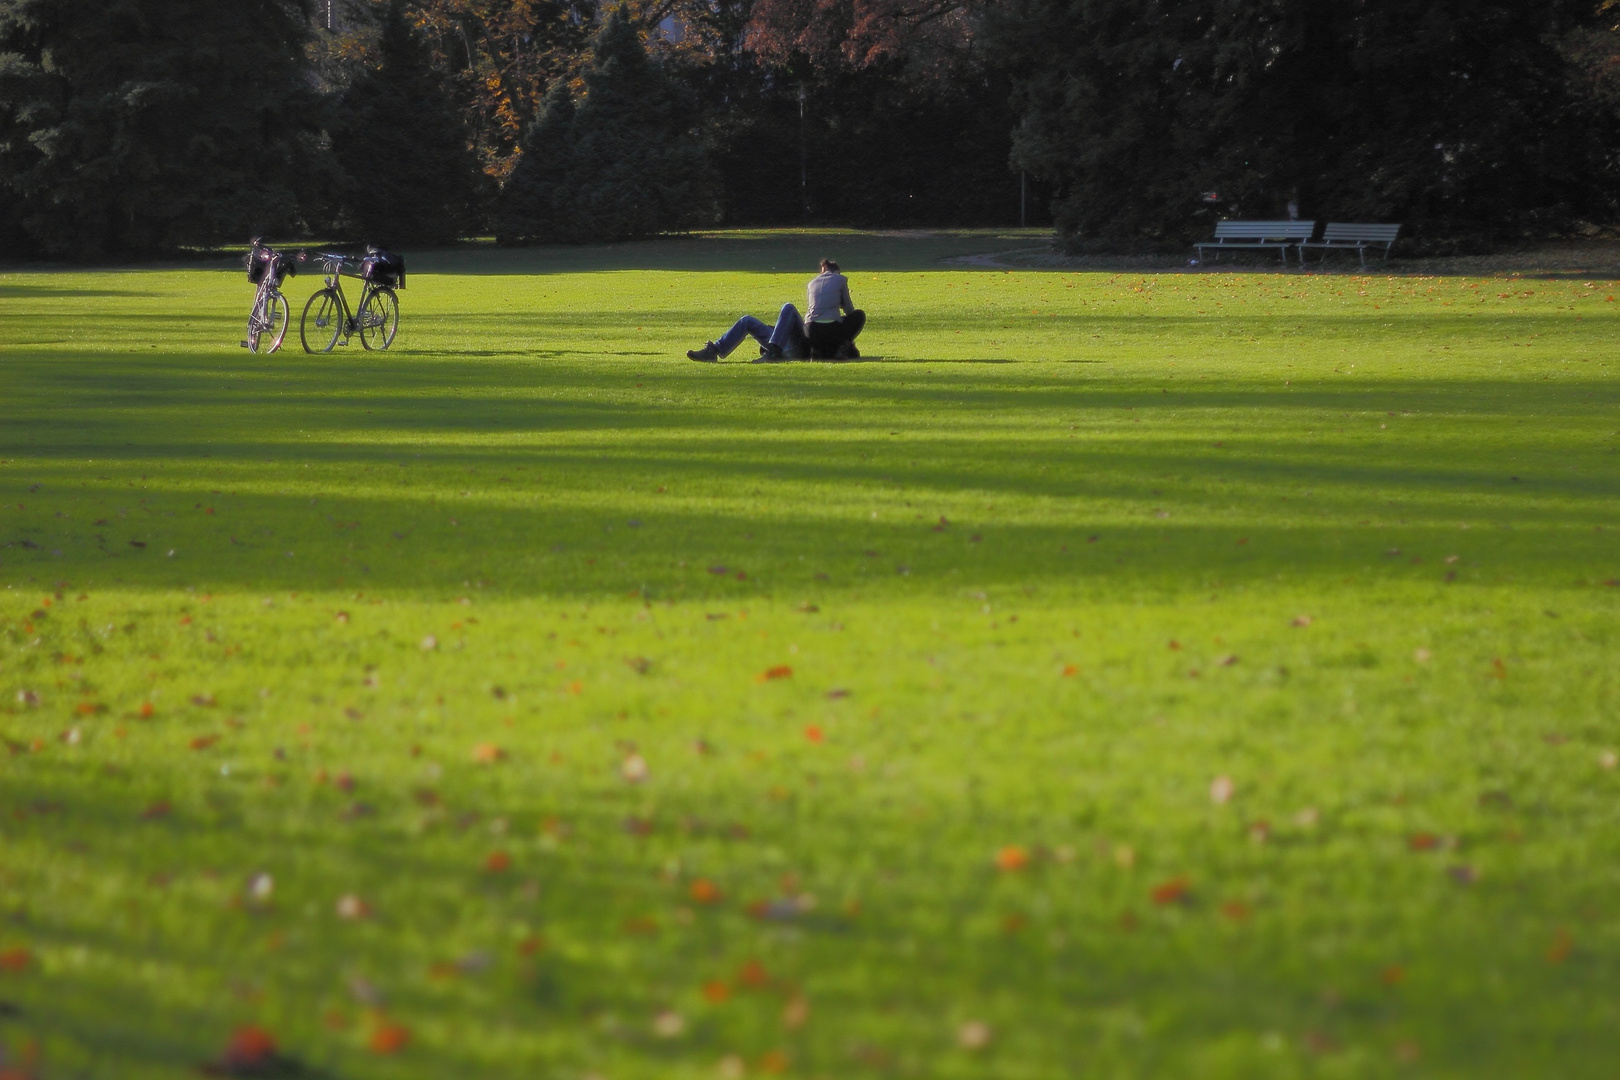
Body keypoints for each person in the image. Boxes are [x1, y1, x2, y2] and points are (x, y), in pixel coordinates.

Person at [687, 258, 865, 362]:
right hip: (786, 345)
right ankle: (714, 351)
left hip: (796, 348)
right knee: (747, 320)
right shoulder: (838, 282)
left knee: (788, 307)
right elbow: (849, 312)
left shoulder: (814, 284)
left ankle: (773, 351)